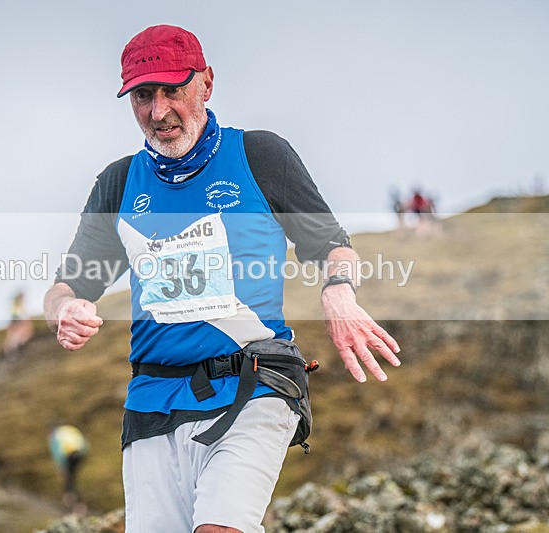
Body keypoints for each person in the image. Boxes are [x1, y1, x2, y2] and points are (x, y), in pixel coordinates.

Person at [43, 24, 401, 533]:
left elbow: (332, 247)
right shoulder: (118, 184)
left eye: (173, 90)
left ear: (206, 83)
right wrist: (66, 310)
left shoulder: (259, 156)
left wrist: (339, 293)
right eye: (143, 95)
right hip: (151, 403)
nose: (158, 111)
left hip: (254, 386)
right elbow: (66, 286)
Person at [48, 424, 89, 513]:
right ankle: (77, 504)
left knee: (68, 479)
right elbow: (84, 443)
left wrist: (61, 467)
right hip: (80, 453)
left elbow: (58, 452)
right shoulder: (70, 429)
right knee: (73, 477)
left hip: (69, 455)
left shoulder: (55, 435)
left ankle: (72, 502)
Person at [4, 291, 34, 361]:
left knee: (15, 336)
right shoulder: (17, 304)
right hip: (17, 319)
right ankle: (14, 352)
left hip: (16, 319)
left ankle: (14, 352)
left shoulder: (16, 304)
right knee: (17, 336)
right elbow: (19, 312)